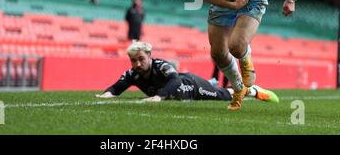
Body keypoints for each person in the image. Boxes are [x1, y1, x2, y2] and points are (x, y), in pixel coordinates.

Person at [95, 41, 279, 103]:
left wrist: (160, 97)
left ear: (150, 56)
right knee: (221, 91)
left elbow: (174, 80)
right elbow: (117, 88)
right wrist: (106, 95)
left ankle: (253, 91)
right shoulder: (133, 74)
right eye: (133, 60)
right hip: (181, 91)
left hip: (192, 86)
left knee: (223, 95)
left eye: (140, 59)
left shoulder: (161, 65)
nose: (137, 64)